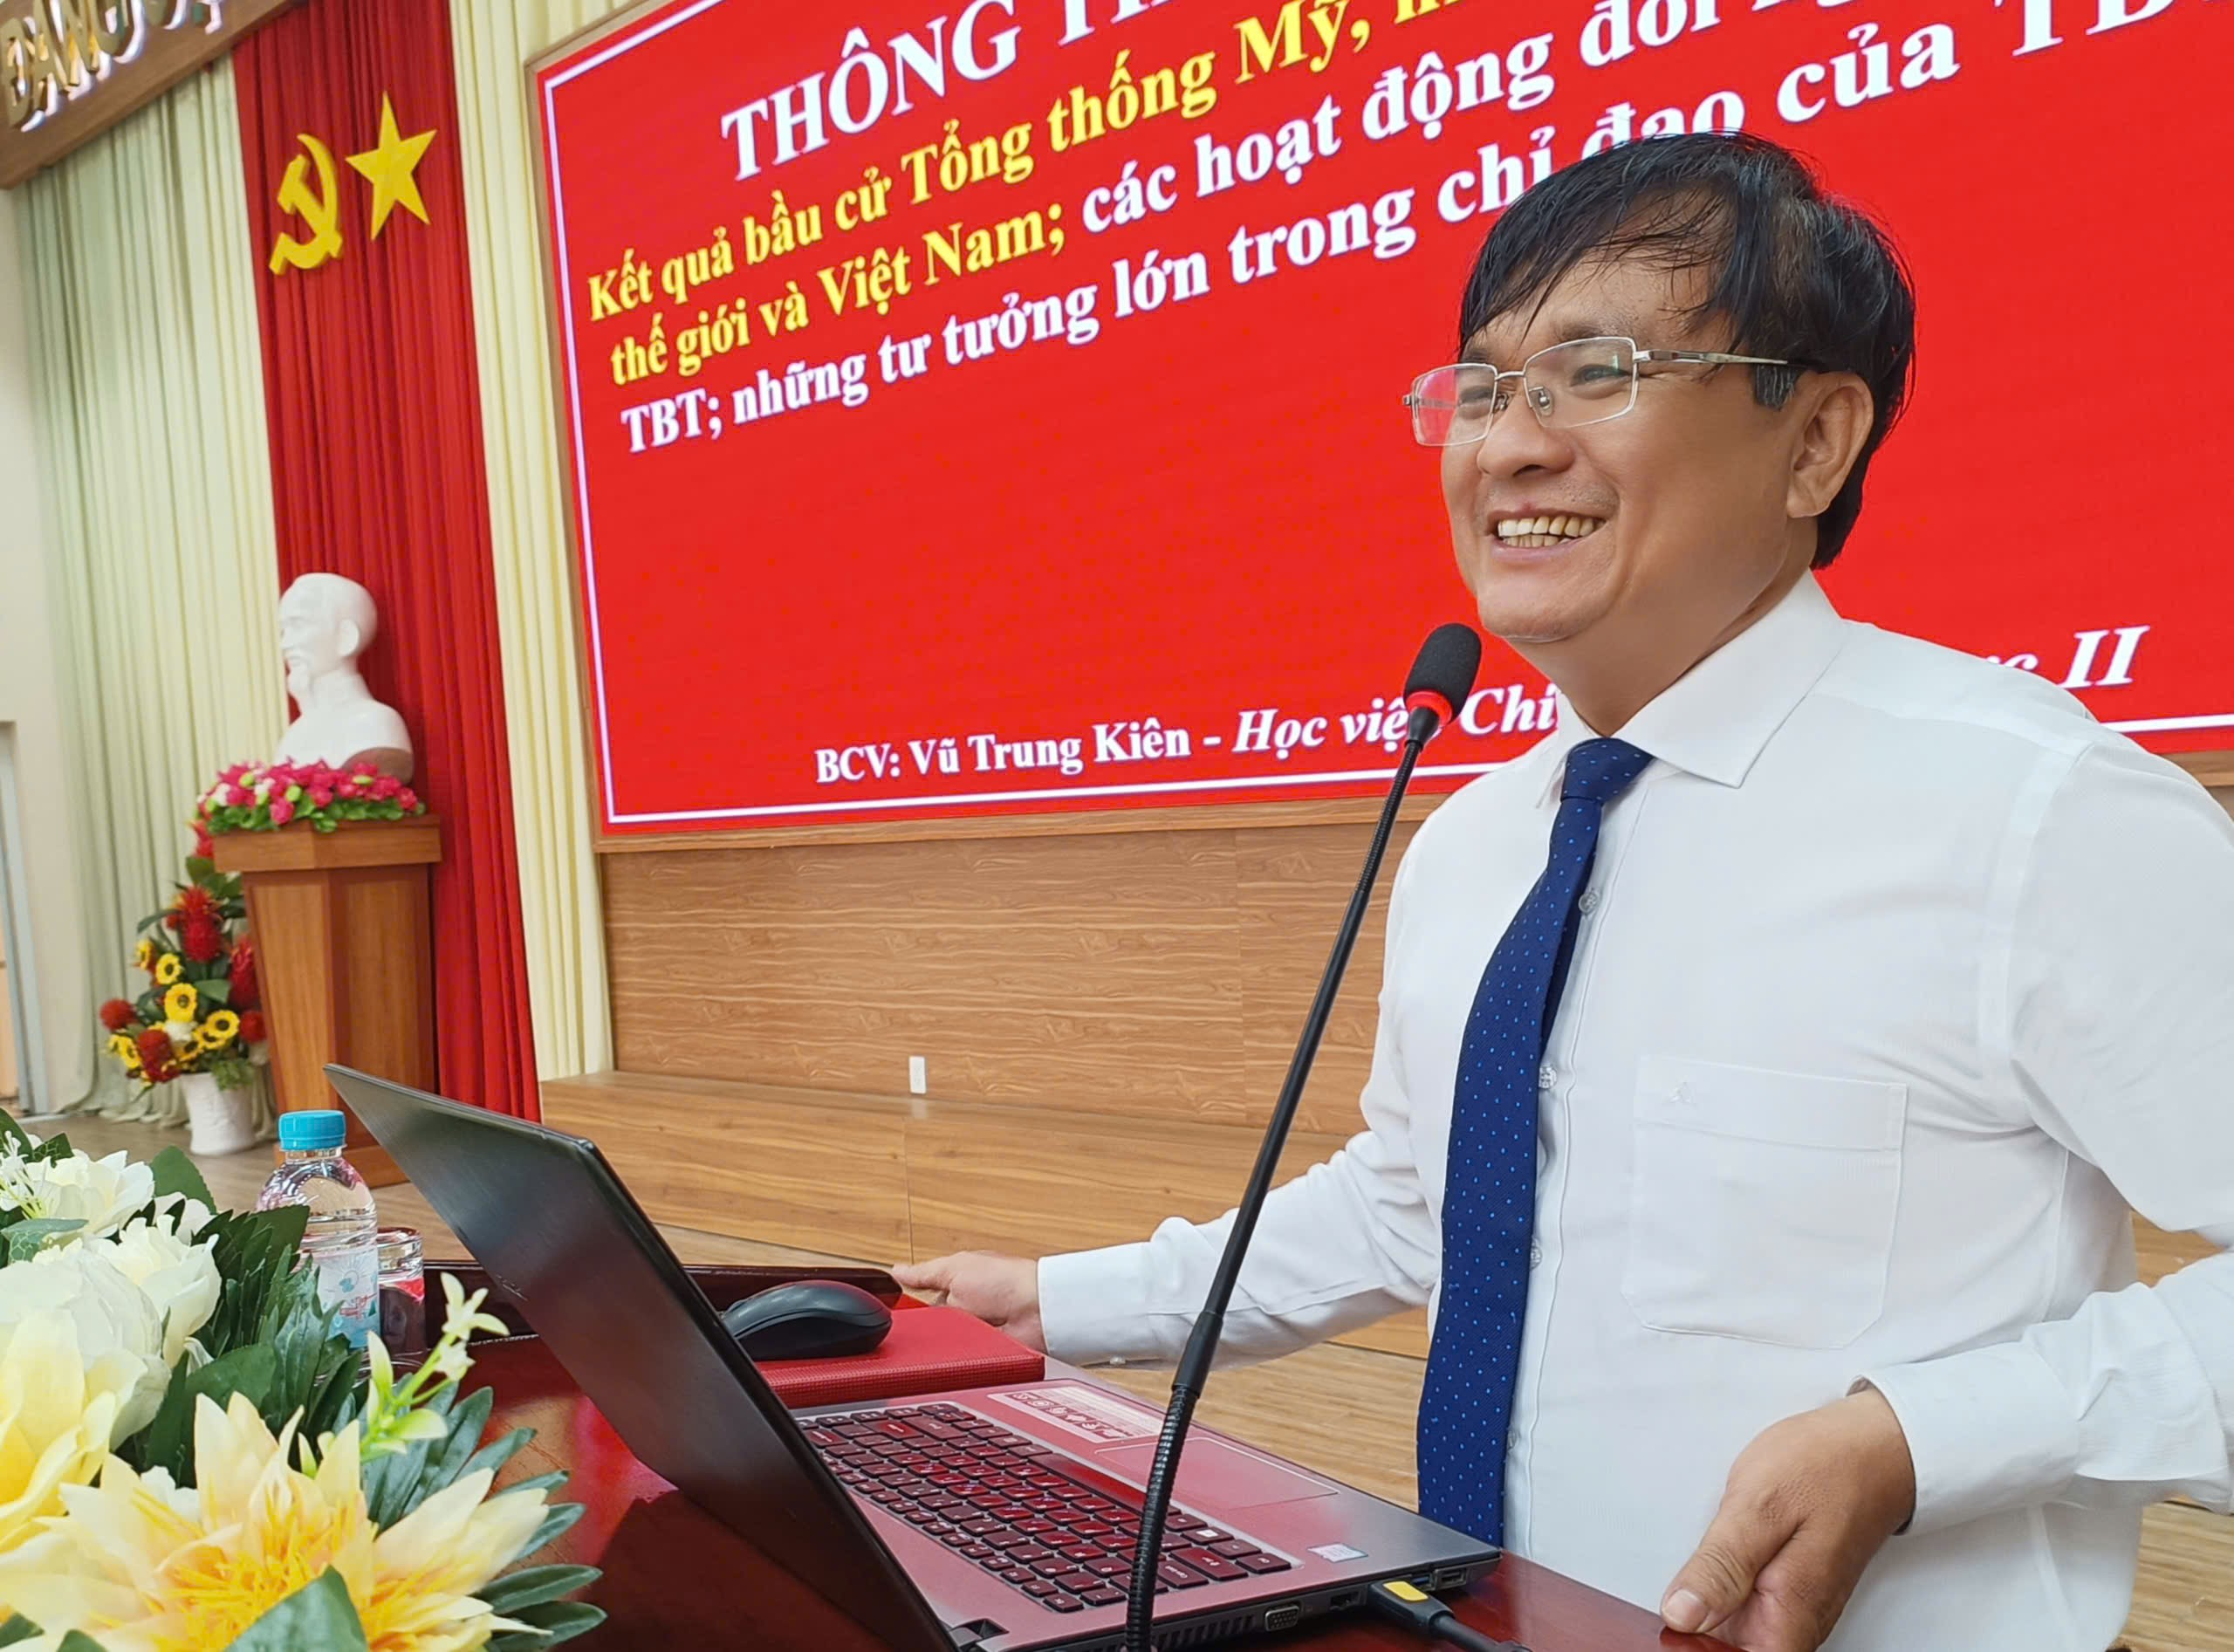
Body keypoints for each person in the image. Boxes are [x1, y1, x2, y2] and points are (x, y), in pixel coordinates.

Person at [896, 132, 2234, 1652]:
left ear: (1814, 441)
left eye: (1598, 374)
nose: (1512, 448)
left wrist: (1921, 1441)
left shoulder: (2034, 813)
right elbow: (1416, 1208)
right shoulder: (1477, 840)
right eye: (1481, 391)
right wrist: (1047, 1305)